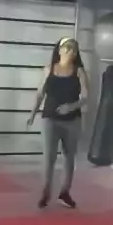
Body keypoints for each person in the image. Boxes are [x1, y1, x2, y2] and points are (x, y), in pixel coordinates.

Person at [27, 37, 88, 209]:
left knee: (69, 157)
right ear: (59, 50)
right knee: (49, 157)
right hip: (50, 118)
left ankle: (64, 193)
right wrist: (32, 113)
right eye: (67, 48)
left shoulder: (79, 72)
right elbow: (40, 94)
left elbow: (85, 97)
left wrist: (71, 107)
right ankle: (45, 193)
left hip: (72, 121)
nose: (70, 52)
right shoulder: (49, 69)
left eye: (74, 49)